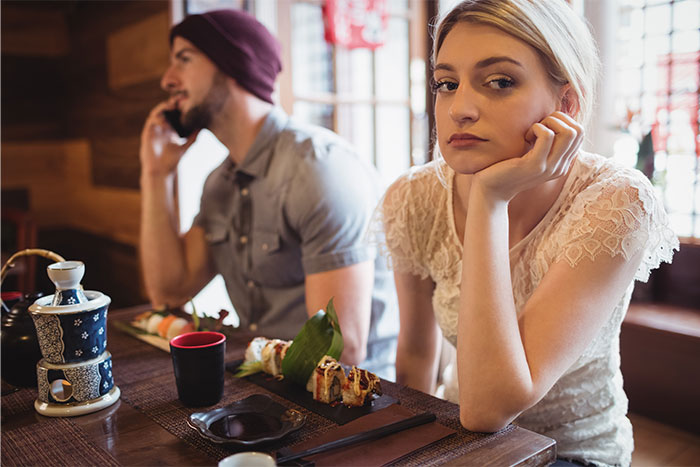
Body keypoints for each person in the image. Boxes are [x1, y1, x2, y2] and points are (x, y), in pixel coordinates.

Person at [378, 0, 678, 465]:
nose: (460, 108)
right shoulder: (413, 198)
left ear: (566, 104)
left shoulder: (615, 200)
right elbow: (417, 354)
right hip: (455, 442)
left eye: (499, 82)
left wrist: (489, 200)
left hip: (570, 454)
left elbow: (489, 407)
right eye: (446, 83)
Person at [139, 9, 397, 379]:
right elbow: (169, 293)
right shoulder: (218, 186)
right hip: (267, 382)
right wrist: (155, 174)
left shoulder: (317, 170)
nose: (167, 80)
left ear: (233, 64)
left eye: (184, 59)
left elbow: (340, 348)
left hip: (347, 397)